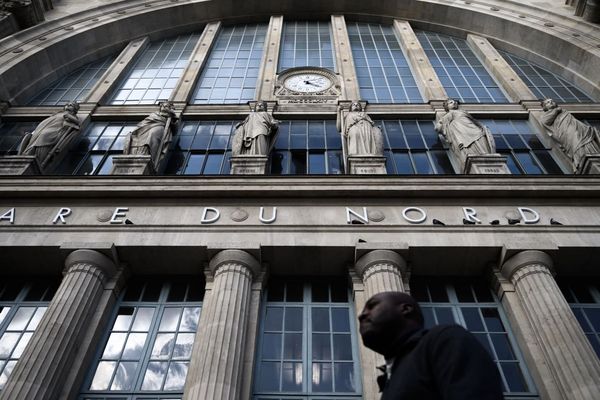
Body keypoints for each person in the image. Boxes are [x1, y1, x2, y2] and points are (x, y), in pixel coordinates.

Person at [358, 291, 504, 400]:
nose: (361, 315)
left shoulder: (444, 338)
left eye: (372, 306)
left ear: (406, 309)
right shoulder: (392, 374)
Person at [540, 98, 600, 173]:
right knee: (576, 140)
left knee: (584, 139)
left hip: (579, 129)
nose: (551, 102)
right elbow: (545, 122)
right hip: (566, 131)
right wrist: (556, 111)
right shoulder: (547, 115)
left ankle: (590, 153)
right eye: (548, 102)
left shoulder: (563, 111)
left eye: (552, 101)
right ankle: (581, 159)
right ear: (545, 107)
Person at [435, 98, 496, 169]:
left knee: (481, 138)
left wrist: (483, 127)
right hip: (461, 130)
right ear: (447, 106)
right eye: (451, 102)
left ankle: (486, 155)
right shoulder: (450, 114)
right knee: (469, 145)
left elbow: (474, 121)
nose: (454, 103)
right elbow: (438, 127)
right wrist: (442, 126)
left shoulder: (463, 112)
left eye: (455, 102)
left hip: (472, 128)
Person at [18, 101, 81, 169]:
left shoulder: (72, 116)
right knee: (31, 139)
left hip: (53, 131)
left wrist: (69, 116)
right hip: (41, 129)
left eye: (71, 105)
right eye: (67, 104)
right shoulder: (58, 113)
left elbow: (77, 123)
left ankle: (38, 160)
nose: (68, 106)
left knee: (44, 137)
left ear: (75, 109)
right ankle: (26, 156)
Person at [123, 101, 178, 170]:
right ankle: (140, 153)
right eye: (163, 106)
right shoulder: (154, 114)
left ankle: (150, 156)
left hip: (159, 127)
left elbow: (175, 128)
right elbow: (144, 122)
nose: (164, 107)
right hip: (146, 128)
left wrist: (172, 117)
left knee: (152, 135)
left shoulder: (171, 117)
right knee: (138, 138)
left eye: (167, 106)